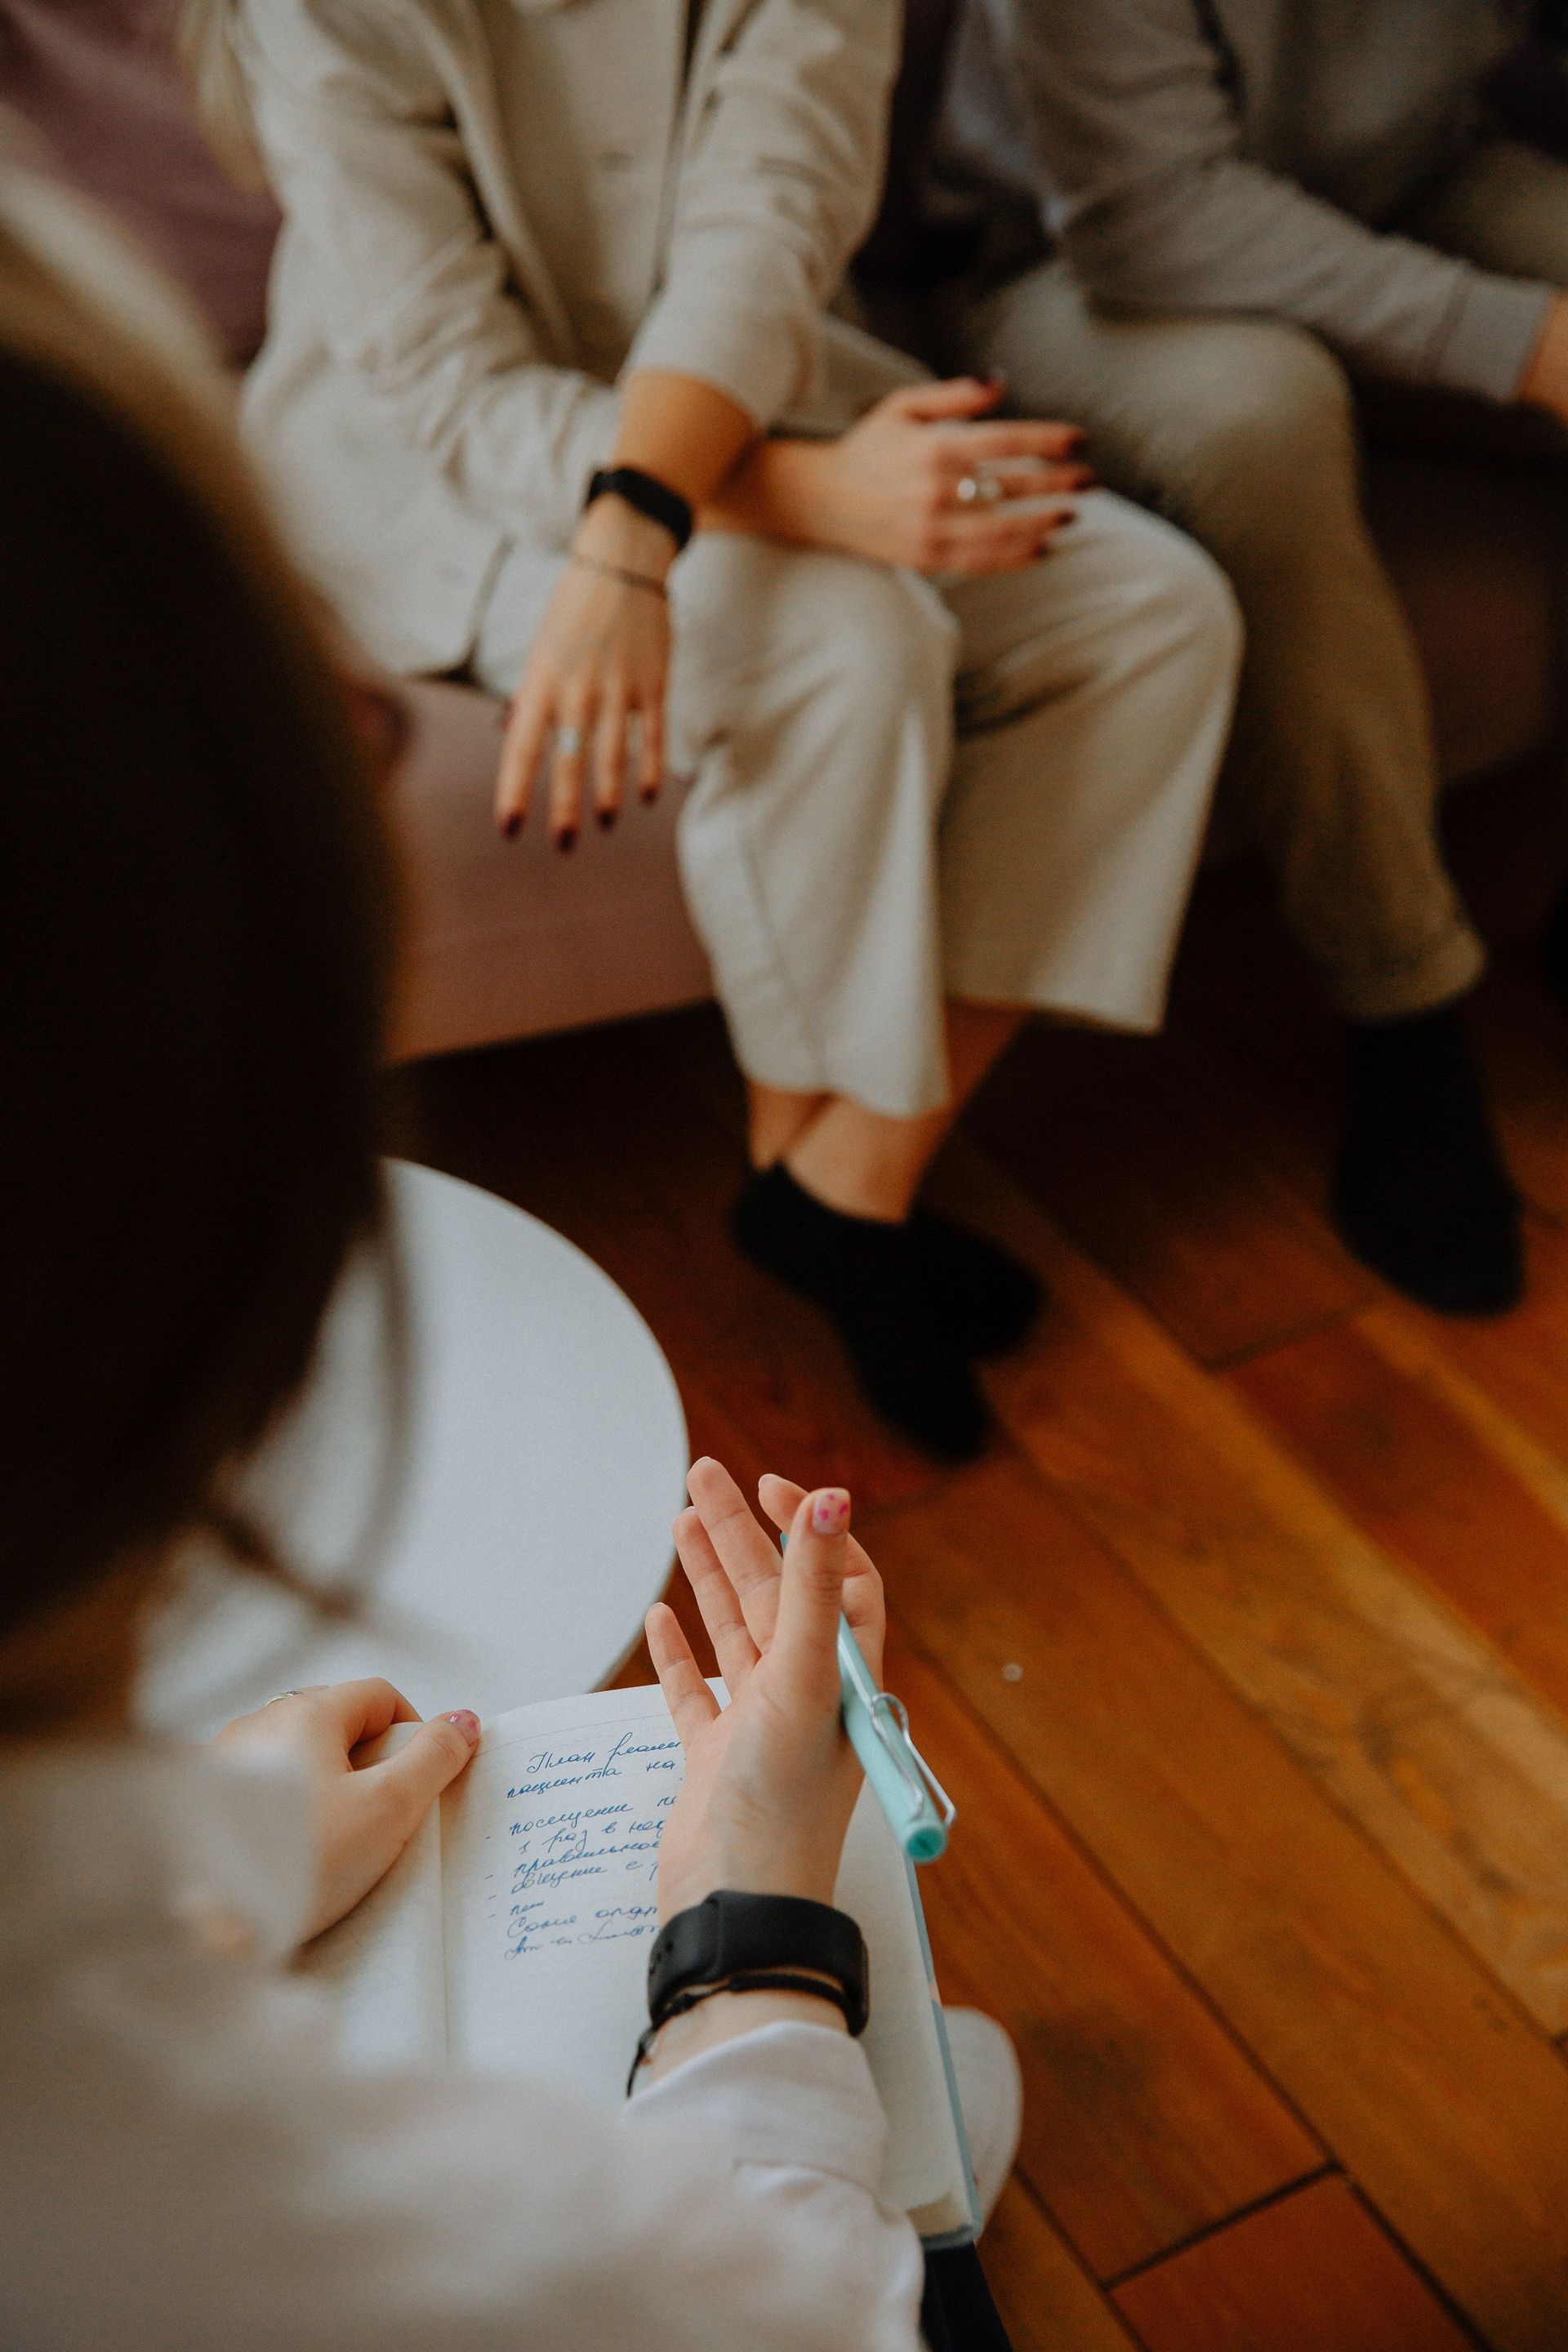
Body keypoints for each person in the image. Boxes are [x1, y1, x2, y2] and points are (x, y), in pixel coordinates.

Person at [0, 162, 1025, 2351]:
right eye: (305, 702)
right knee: (966, 2126)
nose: (374, 726)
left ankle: (836, 1197)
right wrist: (755, 1937)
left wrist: (204, 1869)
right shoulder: (427, 2266)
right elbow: (812, 2314)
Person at [189, 0, 1243, 1461]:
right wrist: (769, 514)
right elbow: (450, 376)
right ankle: (831, 1207)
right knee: (843, 642)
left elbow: (772, 214)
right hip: (442, 454)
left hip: (743, 383)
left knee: (1155, 617)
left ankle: (845, 1191)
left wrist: (690, 509)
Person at [911, 0, 1568, 1319]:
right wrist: (1526, 344)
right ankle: (1405, 1014)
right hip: (1073, 251)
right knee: (1262, 423)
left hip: (1416, 176)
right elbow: (1153, 215)